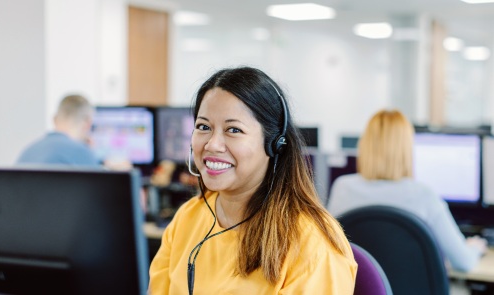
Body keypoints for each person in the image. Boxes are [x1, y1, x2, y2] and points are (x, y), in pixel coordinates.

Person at [149, 66, 357, 294]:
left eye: (233, 130)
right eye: (204, 127)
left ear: (273, 144)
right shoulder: (188, 218)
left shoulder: (311, 242)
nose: (212, 144)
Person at [327, 109, 487, 272]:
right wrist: (474, 248)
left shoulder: (342, 188)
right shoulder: (423, 195)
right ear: (407, 149)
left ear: (365, 145)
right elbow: (463, 263)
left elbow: (332, 251)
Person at [16, 94, 100, 167]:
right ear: (88, 124)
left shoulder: (28, 152)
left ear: (54, 119)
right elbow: (100, 184)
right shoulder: (82, 153)